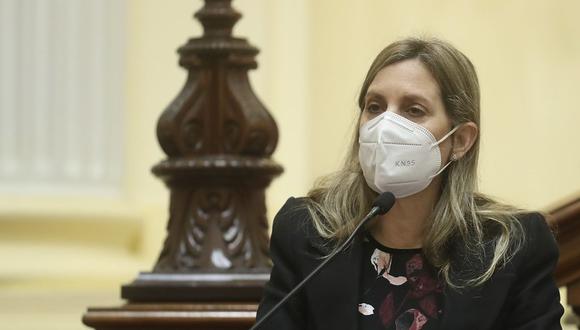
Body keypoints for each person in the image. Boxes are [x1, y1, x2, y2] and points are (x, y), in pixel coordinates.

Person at [256, 37, 564, 330]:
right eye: (374, 107)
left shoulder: (511, 247)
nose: (385, 126)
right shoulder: (305, 231)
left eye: (413, 110)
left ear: (460, 139)